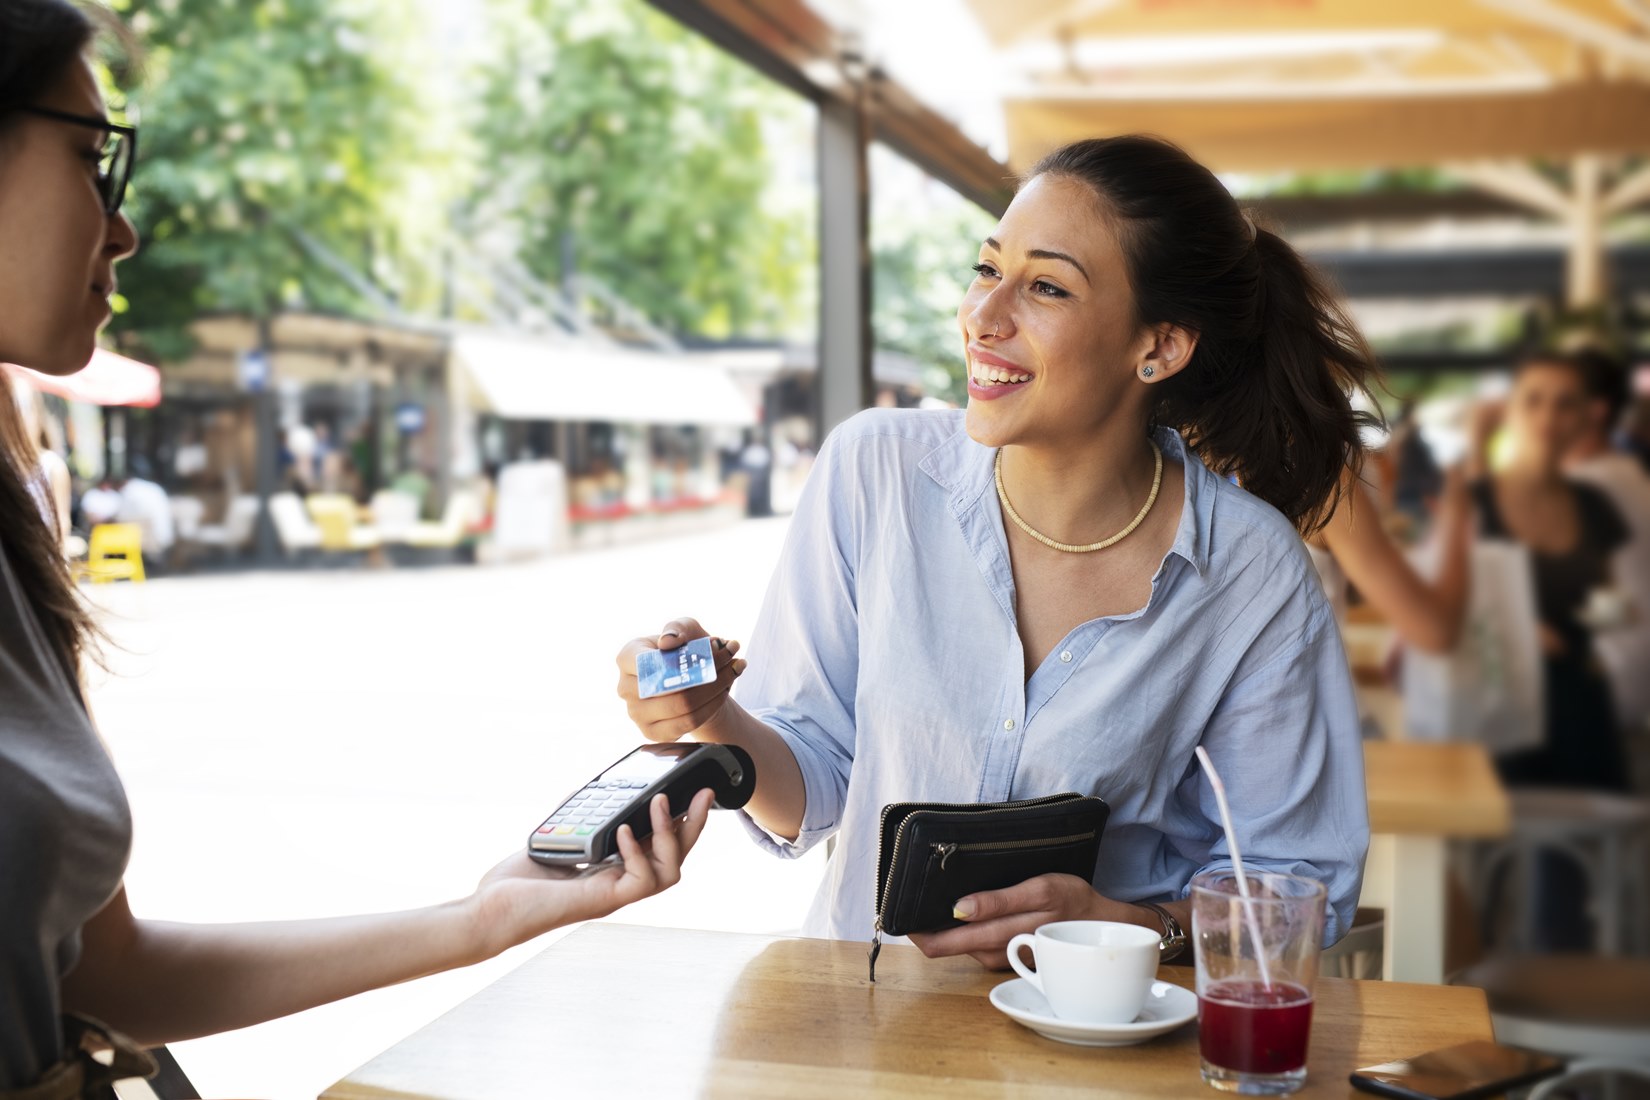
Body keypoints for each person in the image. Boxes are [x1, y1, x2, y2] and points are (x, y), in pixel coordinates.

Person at [0, 4, 712, 1092]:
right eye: (90, 160)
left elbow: (115, 975)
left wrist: (486, 916)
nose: (122, 225)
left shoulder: (18, 514)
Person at [617, 135, 1374, 967]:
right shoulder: (876, 472)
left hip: (1106, 1047)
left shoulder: (1251, 573)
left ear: (1159, 346)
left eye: (1046, 286)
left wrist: (1123, 923)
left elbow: (1298, 886)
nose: (983, 315)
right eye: (987, 269)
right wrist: (714, 718)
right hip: (859, 1030)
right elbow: (817, 784)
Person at [1477, 355, 1632, 792]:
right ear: (1510, 411)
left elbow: (1604, 600)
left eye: (1566, 404)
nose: (1549, 416)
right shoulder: (1474, 501)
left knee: (1592, 848)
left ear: (1587, 417)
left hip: (1580, 705)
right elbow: (1444, 615)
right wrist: (1518, 629)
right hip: (1496, 710)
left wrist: (1619, 613)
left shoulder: (1593, 504)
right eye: (1534, 401)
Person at [1563, 348, 1650, 781]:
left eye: (1562, 402)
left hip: (1610, 677)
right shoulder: (1622, 473)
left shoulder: (1589, 484)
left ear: (1596, 411)